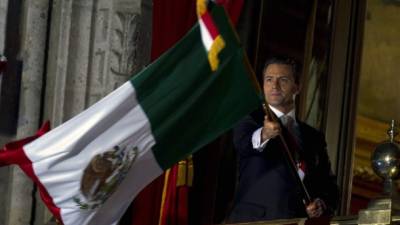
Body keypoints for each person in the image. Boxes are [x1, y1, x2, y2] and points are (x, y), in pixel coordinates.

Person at [228, 56, 338, 223]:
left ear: (297, 86)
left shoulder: (313, 137)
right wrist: (264, 134)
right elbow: (243, 144)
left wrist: (320, 203)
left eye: (283, 80)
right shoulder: (250, 119)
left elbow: (329, 186)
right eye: (269, 79)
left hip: (297, 221)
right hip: (255, 220)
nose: (274, 86)